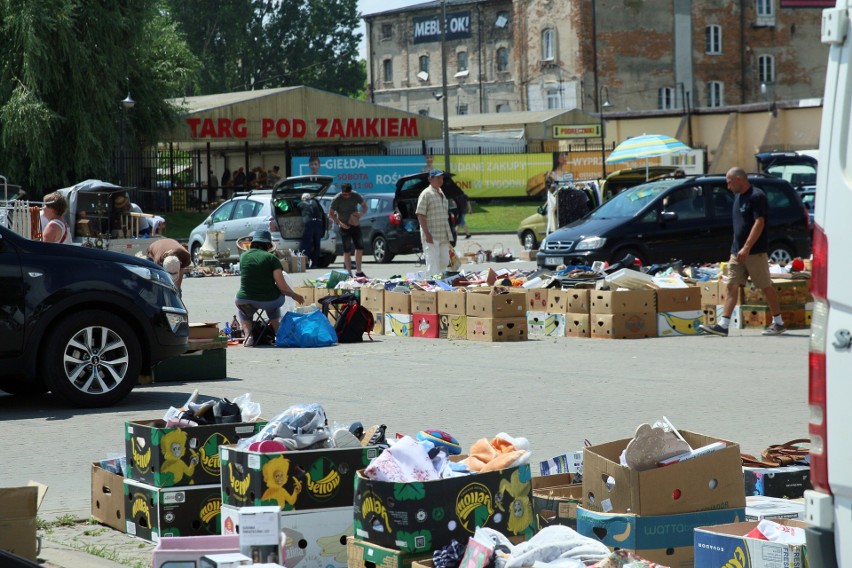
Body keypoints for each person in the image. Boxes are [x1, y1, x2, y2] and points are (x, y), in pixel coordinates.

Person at [700, 167, 786, 337]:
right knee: (732, 285)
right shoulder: (737, 197)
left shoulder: (756, 196)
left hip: (755, 252)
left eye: (729, 182)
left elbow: (759, 223)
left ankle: (779, 323)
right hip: (737, 252)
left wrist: (746, 247)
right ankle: (723, 325)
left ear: (739, 179)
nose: (728, 186)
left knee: (765, 286)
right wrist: (735, 247)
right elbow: (738, 226)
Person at [234, 230, 304, 346]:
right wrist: (295, 295)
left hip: (244, 299)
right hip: (269, 301)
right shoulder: (272, 259)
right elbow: (283, 288)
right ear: (268, 245)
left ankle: (248, 336)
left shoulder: (243, 257)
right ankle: (279, 334)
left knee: (243, 311)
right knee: (274, 304)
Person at [416, 168, 454, 277]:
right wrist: (427, 234)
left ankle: (438, 280)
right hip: (431, 235)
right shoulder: (426, 194)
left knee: (445, 262)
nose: (440, 180)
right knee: (432, 264)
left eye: (441, 177)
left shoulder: (442, 193)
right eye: (438, 178)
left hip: (443, 235)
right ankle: (432, 286)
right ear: (430, 179)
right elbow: (420, 214)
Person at [328, 182, 367, 276]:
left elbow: (365, 206)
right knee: (347, 249)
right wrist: (340, 223)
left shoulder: (355, 195)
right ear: (341, 192)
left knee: (359, 246)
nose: (347, 196)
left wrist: (361, 214)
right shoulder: (336, 199)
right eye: (345, 194)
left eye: (349, 194)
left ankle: (358, 271)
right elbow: (331, 214)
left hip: (354, 224)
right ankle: (349, 272)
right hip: (343, 225)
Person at [296, 192, 325, 268]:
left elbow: (297, 212)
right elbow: (321, 211)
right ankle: (314, 263)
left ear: (302, 199)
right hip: (318, 222)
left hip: (309, 223)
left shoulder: (300, 204)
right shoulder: (315, 202)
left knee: (306, 243)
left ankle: (305, 263)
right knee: (316, 244)